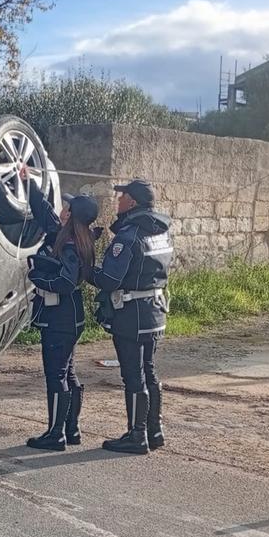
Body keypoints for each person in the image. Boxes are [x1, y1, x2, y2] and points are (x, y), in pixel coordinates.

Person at [91, 180, 173, 455]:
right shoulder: (161, 232)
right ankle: (154, 430)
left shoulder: (129, 236)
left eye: (122, 195)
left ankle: (136, 436)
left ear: (133, 202)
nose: (118, 199)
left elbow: (110, 279)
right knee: (149, 370)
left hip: (131, 314)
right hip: (154, 309)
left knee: (133, 375)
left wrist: (86, 269)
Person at [24, 180, 100, 451]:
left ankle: (55, 434)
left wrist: (38, 278)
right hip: (72, 315)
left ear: (71, 216)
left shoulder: (69, 244)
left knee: (56, 375)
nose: (62, 210)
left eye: (66, 208)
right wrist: (28, 182)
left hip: (60, 317)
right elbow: (46, 215)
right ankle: (71, 428)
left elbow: (66, 282)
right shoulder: (75, 236)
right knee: (68, 372)